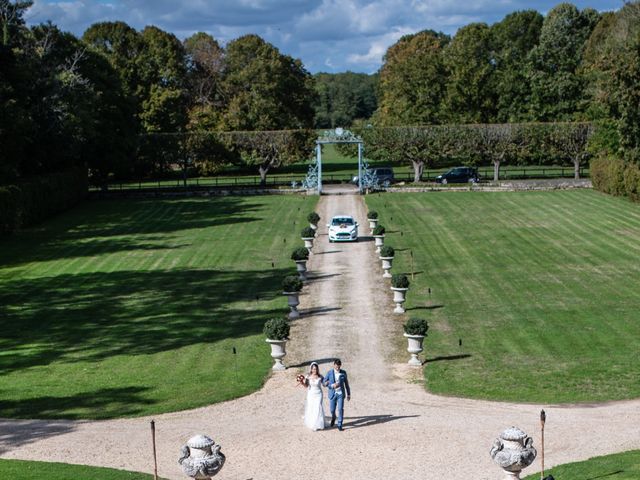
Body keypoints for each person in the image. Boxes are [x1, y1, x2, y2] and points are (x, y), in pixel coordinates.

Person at [323, 358, 350, 431]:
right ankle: (333, 417)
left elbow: (346, 384)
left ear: (340, 365)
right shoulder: (329, 373)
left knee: (340, 409)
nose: (337, 367)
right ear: (334, 365)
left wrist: (348, 394)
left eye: (339, 366)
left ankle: (339, 424)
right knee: (332, 410)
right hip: (332, 394)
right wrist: (331, 385)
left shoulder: (343, 373)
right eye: (336, 366)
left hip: (340, 394)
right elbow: (324, 382)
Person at [301, 362, 325, 431]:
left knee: (318, 407)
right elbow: (306, 386)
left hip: (319, 394)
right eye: (313, 369)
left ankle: (319, 424)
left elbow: (324, 384)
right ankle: (313, 424)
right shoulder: (308, 377)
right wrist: (302, 383)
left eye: (316, 369)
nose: (315, 370)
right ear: (311, 369)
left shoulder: (321, 376)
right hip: (311, 394)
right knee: (311, 407)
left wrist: (328, 383)